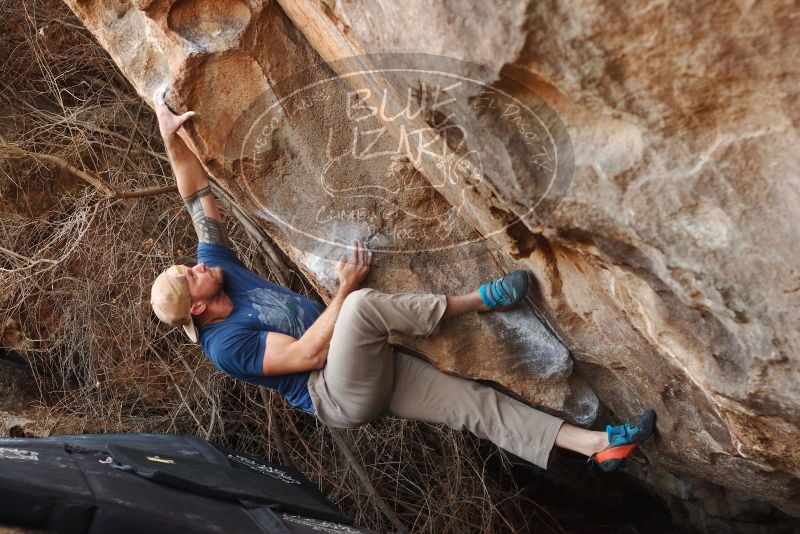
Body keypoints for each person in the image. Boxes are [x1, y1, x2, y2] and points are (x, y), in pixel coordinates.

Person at [149, 86, 655, 473]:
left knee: (476, 406)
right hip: (336, 392)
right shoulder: (224, 345)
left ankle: (599, 446)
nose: (195, 266)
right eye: (190, 277)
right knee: (362, 306)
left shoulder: (220, 272)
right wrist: (344, 289)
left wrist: (167, 129)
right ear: (197, 308)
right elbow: (309, 356)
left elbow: (195, 198)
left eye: (187, 265)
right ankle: (483, 298)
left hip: (367, 368)